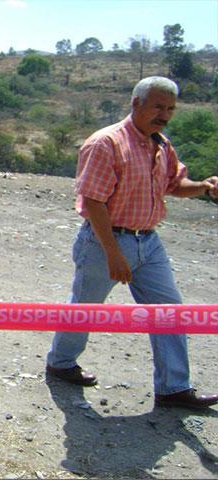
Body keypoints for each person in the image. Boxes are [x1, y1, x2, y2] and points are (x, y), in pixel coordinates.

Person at [46, 76, 218, 409]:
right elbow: (93, 201)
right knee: (85, 308)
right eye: (158, 107)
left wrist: (204, 187)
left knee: (170, 312)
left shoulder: (161, 144)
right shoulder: (106, 143)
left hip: (148, 243)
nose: (164, 115)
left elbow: (174, 184)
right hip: (104, 241)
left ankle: (173, 388)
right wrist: (113, 253)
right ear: (136, 103)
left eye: (170, 109)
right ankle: (61, 363)